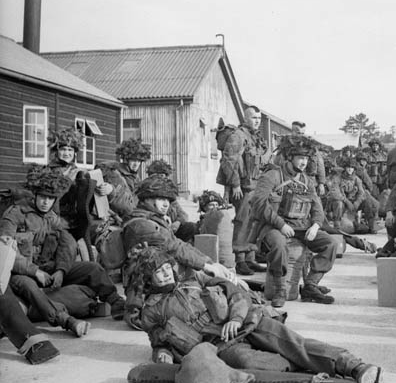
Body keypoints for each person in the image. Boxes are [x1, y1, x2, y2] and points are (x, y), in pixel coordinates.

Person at [136, 247, 382, 383]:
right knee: (252, 363)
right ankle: (314, 370)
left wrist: (235, 317)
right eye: (158, 273)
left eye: (167, 268)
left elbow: (236, 293)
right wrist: (162, 354)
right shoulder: (152, 310)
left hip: (246, 322)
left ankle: (352, 365)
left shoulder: (196, 279)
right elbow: (158, 341)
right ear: (149, 279)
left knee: (290, 341)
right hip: (220, 345)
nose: (166, 275)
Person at [0, 166, 126, 335]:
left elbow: (67, 244)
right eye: (43, 197)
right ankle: (65, 320)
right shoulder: (15, 214)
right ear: (35, 195)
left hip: (47, 269)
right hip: (18, 274)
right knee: (28, 285)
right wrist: (35, 272)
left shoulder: (52, 217)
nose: (46, 202)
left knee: (92, 268)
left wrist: (61, 270)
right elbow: (5, 251)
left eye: (50, 198)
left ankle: (116, 303)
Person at [120, 175, 235, 328]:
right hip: (146, 286)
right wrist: (207, 267)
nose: (166, 204)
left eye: (168, 200)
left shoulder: (152, 218)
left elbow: (179, 244)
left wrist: (210, 263)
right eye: (161, 199)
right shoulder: (142, 225)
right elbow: (174, 248)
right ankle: (141, 310)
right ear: (146, 199)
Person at [250, 140, 337, 307]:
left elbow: (317, 208)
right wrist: (281, 224)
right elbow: (259, 204)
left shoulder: (307, 181)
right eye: (300, 158)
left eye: (306, 158)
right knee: (279, 244)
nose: (304, 162)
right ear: (289, 158)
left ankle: (311, 285)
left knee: (330, 243)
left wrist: (316, 226)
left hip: (302, 227)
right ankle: (280, 290)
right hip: (274, 226)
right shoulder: (272, 176)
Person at [216, 106, 269, 276]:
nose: (257, 121)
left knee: (254, 222)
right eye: (254, 118)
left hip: (256, 186)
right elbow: (229, 160)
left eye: (259, 118)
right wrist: (235, 184)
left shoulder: (256, 138)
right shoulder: (238, 136)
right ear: (245, 119)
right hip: (243, 188)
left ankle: (250, 258)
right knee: (243, 222)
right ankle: (239, 260)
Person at [47, 127, 114, 242]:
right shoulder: (47, 172)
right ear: (56, 151)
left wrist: (109, 189)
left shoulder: (79, 171)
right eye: (63, 149)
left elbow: (95, 199)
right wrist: (67, 181)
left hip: (78, 221)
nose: (67, 153)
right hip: (57, 221)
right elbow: (49, 200)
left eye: (70, 150)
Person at [145, 160, 196, 242]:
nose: (160, 179)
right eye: (157, 176)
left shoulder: (169, 195)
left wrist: (178, 222)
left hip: (171, 230)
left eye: (162, 176)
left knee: (191, 227)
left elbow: (183, 214)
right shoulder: (146, 194)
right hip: (156, 231)